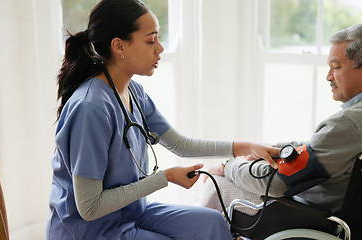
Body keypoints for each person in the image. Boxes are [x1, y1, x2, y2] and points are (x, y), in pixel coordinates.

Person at [46, 0, 279, 239]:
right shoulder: (91, 108)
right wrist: (165, 178)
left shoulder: (133, 93)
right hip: (91, 230)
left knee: (212, 222)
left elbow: (180, 145)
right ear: (119, 46)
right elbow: (89, 207)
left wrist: (246, 147)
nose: (160, 48)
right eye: (151, 40)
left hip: (131, 212)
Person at [201, 23, 362, 215]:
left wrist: (229, 166)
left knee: (218, 183)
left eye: (336, 67)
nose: (328, 76)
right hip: (360, 218)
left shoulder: (349, 123)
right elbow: (321, 149)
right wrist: (274, 150)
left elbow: (275, 184)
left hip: (311, 216)